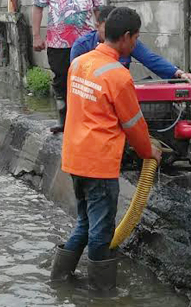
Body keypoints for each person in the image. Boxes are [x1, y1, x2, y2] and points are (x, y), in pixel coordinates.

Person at [50, 7, 162, 292]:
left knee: (85, 222)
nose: (135, 44)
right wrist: (150, 151)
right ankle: (102, 293)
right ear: (125, 37)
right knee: (101, 230)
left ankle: (60, 278)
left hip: (75, 158)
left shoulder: (79, 63)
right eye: (135, 38)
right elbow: (134, 124)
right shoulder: (117, 75)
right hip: (99, 164)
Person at [71, 5, 191, 81]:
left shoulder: (127, 44)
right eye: (106, 29)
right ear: (97, 26)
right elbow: (75, 81)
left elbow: (151, 58)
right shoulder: (82, 46)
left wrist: (178, 73)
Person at [32, 0, 102, 134]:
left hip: (86, 42)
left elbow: (99, 10)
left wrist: (102, 34)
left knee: (88, 81)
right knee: (61, 80)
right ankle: (63, 119)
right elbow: (37, 7)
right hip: (58, 44)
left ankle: (90, 119)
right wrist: (36, 36)